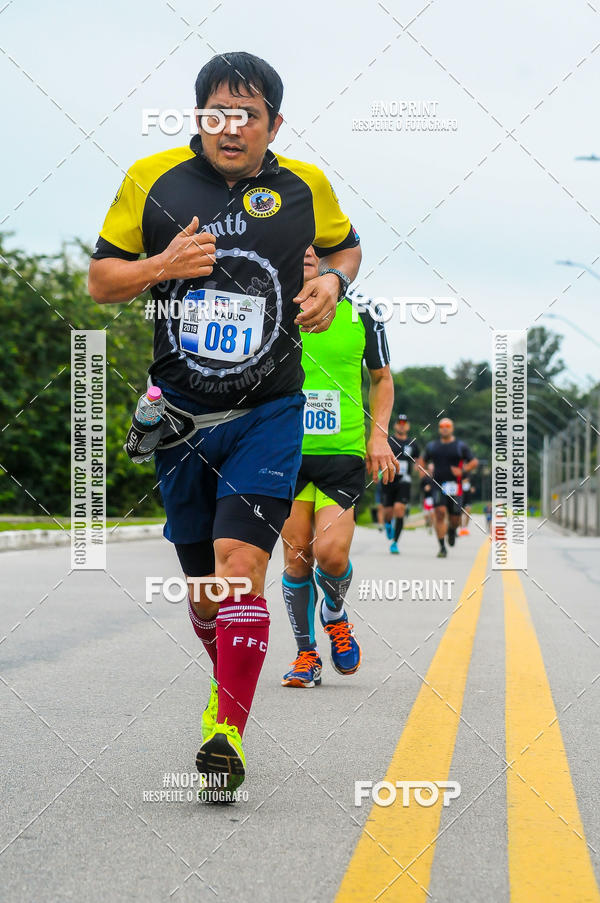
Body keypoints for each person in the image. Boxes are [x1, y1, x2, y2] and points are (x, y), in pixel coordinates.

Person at [88, 52, 361, 797]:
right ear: (197, 116)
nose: (229, 127)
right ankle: (227, 686)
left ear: (275, 123)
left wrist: (332, 281)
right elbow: (101, 280)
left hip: (269, 411)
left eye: (247, 114)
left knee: (241, 568)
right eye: (216, 112)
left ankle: (225, 731)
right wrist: (161, 265)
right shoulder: (154, 181)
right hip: (180, 419)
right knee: (207, 592)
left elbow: (345, 245)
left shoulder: (306, 186)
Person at [280, 254, 395, 686]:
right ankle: (306, 656)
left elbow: (382, 379)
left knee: (330, 553)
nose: (307, 255)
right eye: (301, 247)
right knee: (296, 558)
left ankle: (335, 612)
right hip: (285, 450)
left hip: (342, 452)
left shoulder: (363, 312)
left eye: (318, 249)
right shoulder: (272, 307)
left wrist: (378, 436)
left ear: (334, 262)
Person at [417, 418, 478, 558]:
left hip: (456, 486)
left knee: (455, 518)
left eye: (448, 426)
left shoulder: (460, 446)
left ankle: (452, 531)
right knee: (439, 512)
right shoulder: (433, 446)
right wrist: (424, 473)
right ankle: (442, 547)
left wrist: (463, 471)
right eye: (442, 426)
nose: (445, 428)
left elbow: (474, 462)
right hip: (438, 485)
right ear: (439, 429)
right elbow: (422, 461)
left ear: (452, 428)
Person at [382, 415, 420, 554]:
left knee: (399, 509)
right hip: (389, 478)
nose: (402, 425)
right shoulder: (388, 441)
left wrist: (421, 470)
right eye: (399, 423)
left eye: (404, 423)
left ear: (408, 426)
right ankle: (387, 523)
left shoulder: (413, 443)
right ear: (395, 426)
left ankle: (395, 543)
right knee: (388, 512)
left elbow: (418, 459)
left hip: (405, 480)